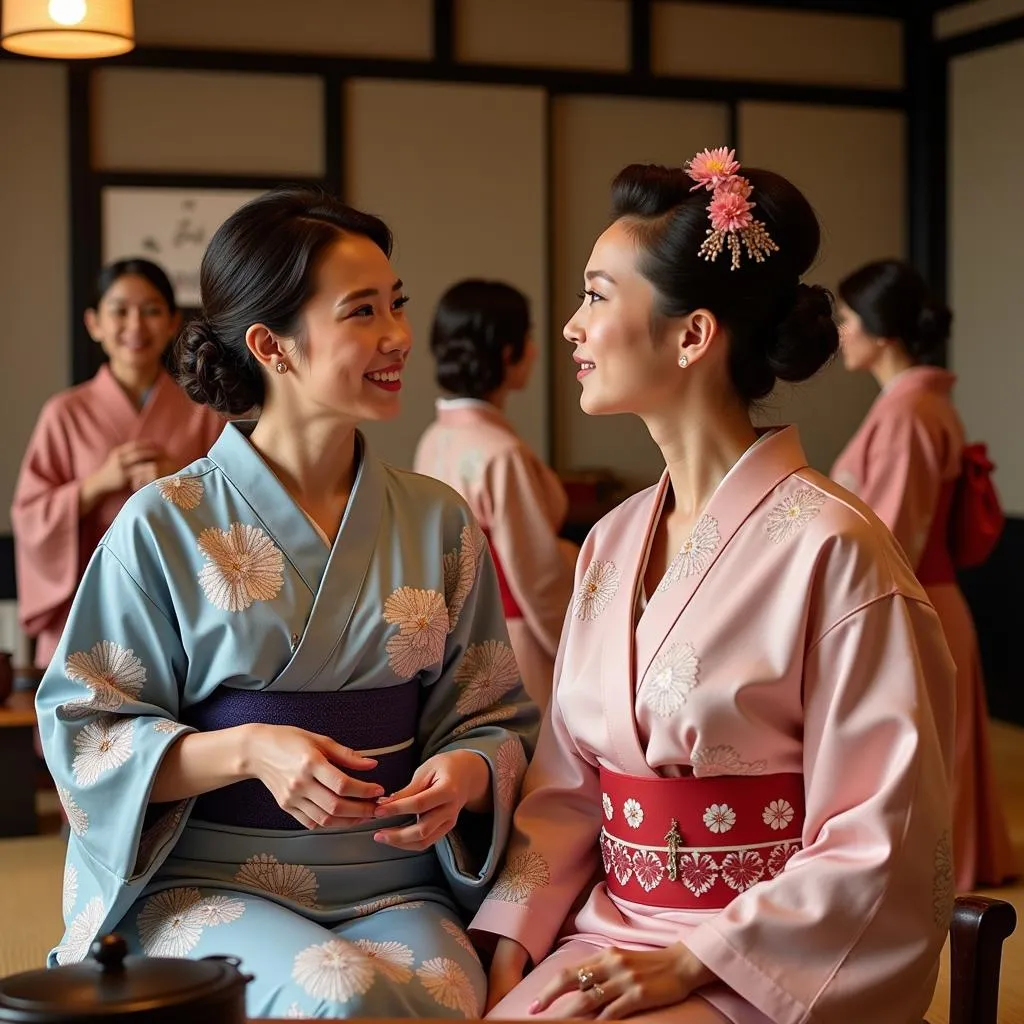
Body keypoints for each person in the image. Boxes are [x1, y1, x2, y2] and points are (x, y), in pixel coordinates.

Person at [471, 151, 955, 1023]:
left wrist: (697, 959)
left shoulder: (834, 546)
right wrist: (513, 930)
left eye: (596, 296)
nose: (573, 328)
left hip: (763, 960)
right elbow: (572, 784)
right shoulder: (612, 541)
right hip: (607, 932)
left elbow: (882, 828)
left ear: (693, 335)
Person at [34, 189, 537, 1019]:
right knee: (338, 995)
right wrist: (247, 751)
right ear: (272, 345)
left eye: (397, 306)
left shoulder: (439, 517)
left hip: (396, 882)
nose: (399, 337)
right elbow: (86, 730)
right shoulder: (165, 521)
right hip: (206, 883)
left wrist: (468, 773)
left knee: (445, 993)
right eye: (362, 312)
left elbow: (494, 713)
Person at [831, 259, 1015, 893]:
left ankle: (938, 872)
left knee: (929, 748)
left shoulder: (908, 411)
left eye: (848, 319)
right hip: (932, 591)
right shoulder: (920, 403)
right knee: (940, 744)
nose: (840, 331)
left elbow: (892, 529)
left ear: (881, 332)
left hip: (913, 592)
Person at [12, 259, 223, 670]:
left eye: (151, 310)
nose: (135, 325)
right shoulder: (64, 413)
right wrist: (95, 485)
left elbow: (237, 510)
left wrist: (176, 486)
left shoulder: (203, 410)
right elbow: (29, 517)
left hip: (177, 605)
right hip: (85, 602)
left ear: (171, 322)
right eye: (119, 310)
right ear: (94, 323)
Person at [415, 280, 577, 707]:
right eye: (529, 336)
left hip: (456, 634)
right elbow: (536, 572)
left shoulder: (434, 438)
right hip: (515, 633)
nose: (535, 349)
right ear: (508, 353)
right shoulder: (499, 453)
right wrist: (581, 643)